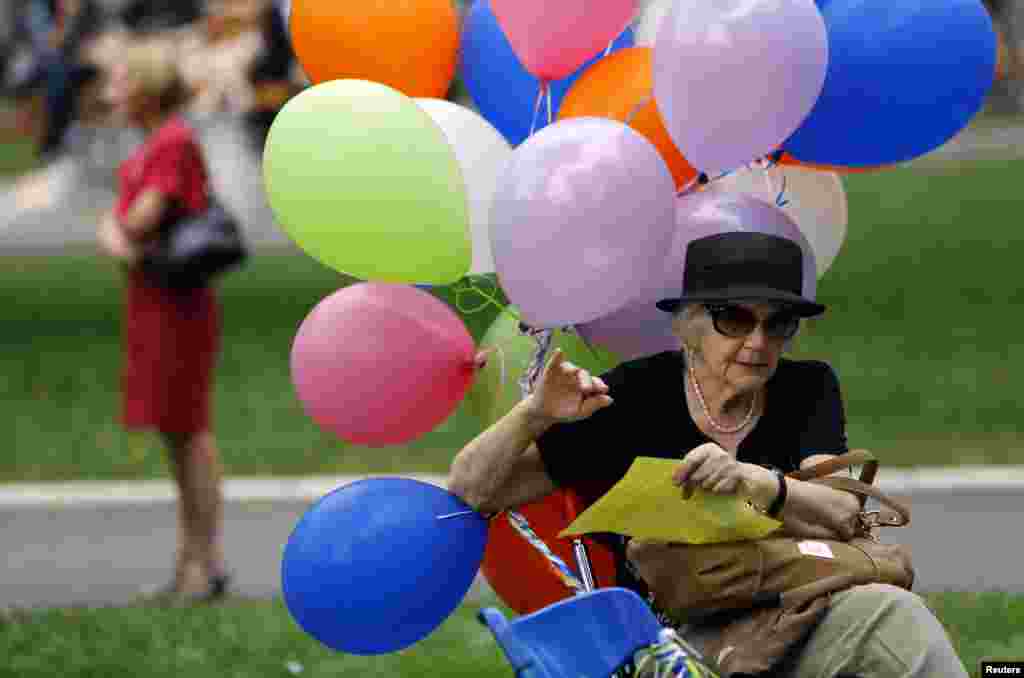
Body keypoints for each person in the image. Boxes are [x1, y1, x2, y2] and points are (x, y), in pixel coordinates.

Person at [448, 230, 968, 677]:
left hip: (798, 609)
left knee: (892, 613)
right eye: (734, 319)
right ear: (687, 325)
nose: (758, 341)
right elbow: (472, 490)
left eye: (778, 323)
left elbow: (841, 511)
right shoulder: (629, 397)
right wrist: (533, 414)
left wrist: (754, 481)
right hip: (677, 645)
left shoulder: (805, 387)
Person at [96, 40, 229, 602]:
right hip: (154, 304)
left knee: (189, 434)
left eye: (122, 81)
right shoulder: (158, 141)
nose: (111, 93)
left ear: (147, 86)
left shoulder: (172, 142)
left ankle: (204, 563)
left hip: (177, 307)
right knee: (176, 437)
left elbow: (137, 224)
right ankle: (193, 562)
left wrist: (113, 229)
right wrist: (117, 231)